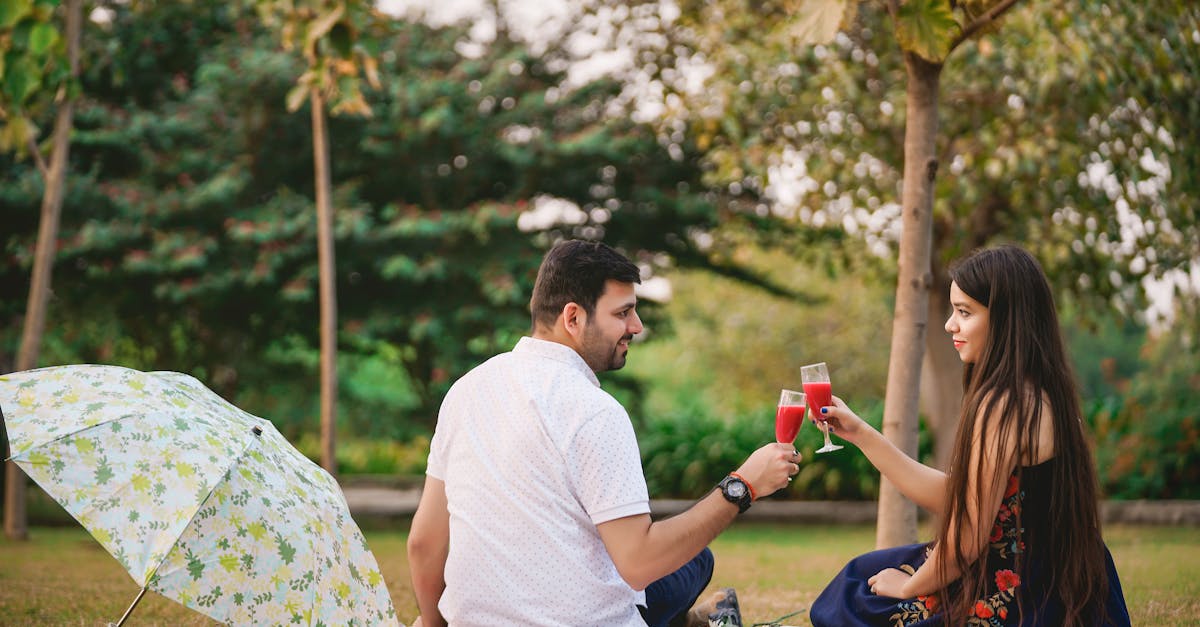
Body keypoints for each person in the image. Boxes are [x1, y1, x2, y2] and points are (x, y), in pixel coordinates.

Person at [406, 239, 800, 627]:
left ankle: (697, 620)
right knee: (696, 561)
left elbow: (423, 543)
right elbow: (640, 563)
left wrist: (431, 623)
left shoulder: (466, 390)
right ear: (573, 318)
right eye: (623, 313)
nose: (637, 326)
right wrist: (742, 485)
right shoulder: (593, 411)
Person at [809, 244, 1131, 626]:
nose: (949, 324)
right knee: (864, 572)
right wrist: (862, 434)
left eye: (964, 312)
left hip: (1020, 597)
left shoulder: (1003, 405)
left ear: (1007, 320)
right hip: (1068, 585)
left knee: (848, 599)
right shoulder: (1044, 393)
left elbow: (965, 542)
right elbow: (963, 496)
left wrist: (910, 587)